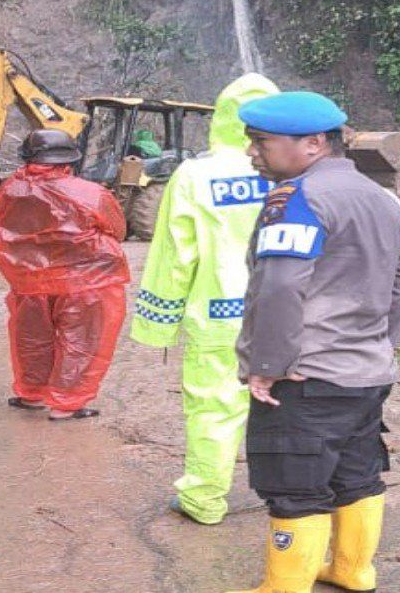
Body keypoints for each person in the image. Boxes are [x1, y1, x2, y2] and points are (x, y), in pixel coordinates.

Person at [224, 92, 400, 593]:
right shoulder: (384, 199)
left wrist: (268, 363)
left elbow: (281, 285)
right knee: (357, 472)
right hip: (367, 373)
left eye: (262, 142)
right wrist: (378, 344)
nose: (252, 153)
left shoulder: (297, 199)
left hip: (307, 375)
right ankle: (354, 570)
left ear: (312, 144)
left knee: (294, 484)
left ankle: (284, 587)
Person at [130, 73, 280, 525]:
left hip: (220, 315)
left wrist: (157, 325)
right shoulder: (296, 171)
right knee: (291, 407)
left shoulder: (196, 175)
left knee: (213, 410)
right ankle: (294, 501)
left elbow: (174, 256)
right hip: (289, 318)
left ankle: (204, 499)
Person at [0, 129, 130, 420]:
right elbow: (118, 229)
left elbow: (3, 229)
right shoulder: (92, 193)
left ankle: (32, 394)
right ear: (70, 159)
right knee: (83, 341)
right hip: (87, 280)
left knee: (31, 337)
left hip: (30, 279)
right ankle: (67, 403)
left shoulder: (8, 190)